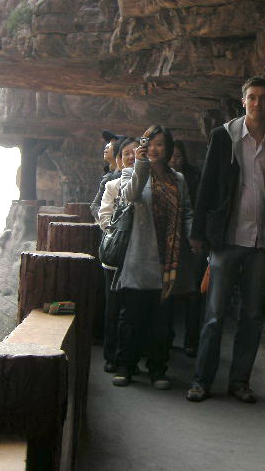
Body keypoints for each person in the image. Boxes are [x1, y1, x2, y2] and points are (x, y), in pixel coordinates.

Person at [186, 75, 265, 403]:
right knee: (215, 314)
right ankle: (201, 381)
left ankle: (240, 382)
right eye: (252, 97)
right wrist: (198, 234)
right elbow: (207, 185)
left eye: (263, 98)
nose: (258, 103)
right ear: (243, 101)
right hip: (226, 239)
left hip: (261, 241)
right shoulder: (225, 137)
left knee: (252, 316)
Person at [104, 125, 193, 389]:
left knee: (161, 321)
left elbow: (187, 211)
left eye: (160, 145)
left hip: (168, 259)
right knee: (131, 317)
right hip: (137, 255)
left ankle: (157, 369)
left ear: (168, 149)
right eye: (150, 144)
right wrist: (141, 163)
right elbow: (131, 195)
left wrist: (193, 237)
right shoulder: (132, 172)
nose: (155, 149)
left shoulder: (178, 179)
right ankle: (126, 367)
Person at [93, 133, 130, 373]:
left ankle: (127, 354)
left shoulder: (148, 179)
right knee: (114, 304)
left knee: (130, 305)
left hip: (137, 251)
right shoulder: (111, 182)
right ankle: (111, 354)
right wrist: (113, 232)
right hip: (116, 251)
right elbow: (98, 209)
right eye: (125, 153)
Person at [169, 141, 202, 355]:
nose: (174, 161)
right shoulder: (159, 177)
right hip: (169, 241)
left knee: (193, 292)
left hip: (190, 241)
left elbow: (196, 209)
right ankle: (166, 339)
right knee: (168, 292)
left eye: (178, 157)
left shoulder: (193, 178)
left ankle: (191, 341)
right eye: (171, 157)